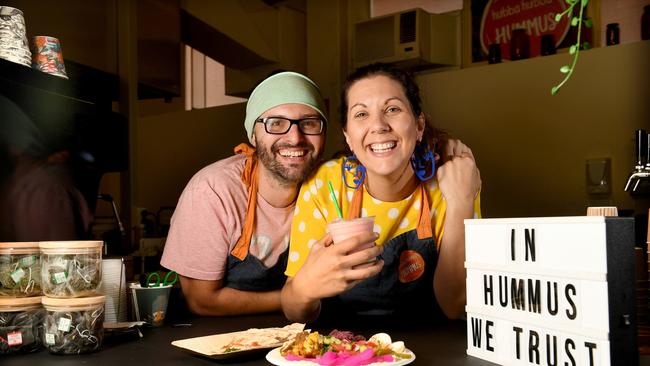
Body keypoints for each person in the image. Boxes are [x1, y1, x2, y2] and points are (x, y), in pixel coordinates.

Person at [281, 63, 482, 326]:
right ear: (348, 137)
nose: (378, 125)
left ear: (419, 125)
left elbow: (455, 305)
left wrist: (461, 202)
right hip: (345, 351)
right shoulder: (324, 185)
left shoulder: (455, 182)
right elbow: (294, 311)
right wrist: (304, 288)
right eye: (361, 114)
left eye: (393, 109)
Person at [160, 71, 328, 315]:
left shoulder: (332, 188)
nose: (295, 137)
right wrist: (297, 297)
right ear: (253, 134)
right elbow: (201, 300)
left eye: (309, 123)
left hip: (308, 341)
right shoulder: (213, 191)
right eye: (276, 123)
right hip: (220, 343)